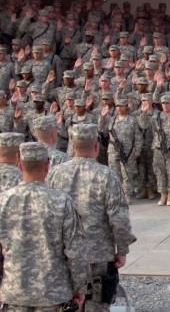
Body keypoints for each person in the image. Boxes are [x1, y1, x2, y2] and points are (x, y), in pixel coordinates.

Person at [47, 124, 137, 312]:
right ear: (96, 146)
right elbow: (119, 217)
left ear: (73, 146)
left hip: (65, 254)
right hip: (98, 255)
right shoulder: (107, 175)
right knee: (96, 304)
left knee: (66, 304)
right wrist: (122, 250)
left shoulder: (55, 174)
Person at [0, 142, 88, 310]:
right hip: (53, 294)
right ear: (47, 166)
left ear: (19, 164)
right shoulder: (62, 202)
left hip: (14, 293)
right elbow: (76, 252)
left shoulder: (3, 202)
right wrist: (80, 288)